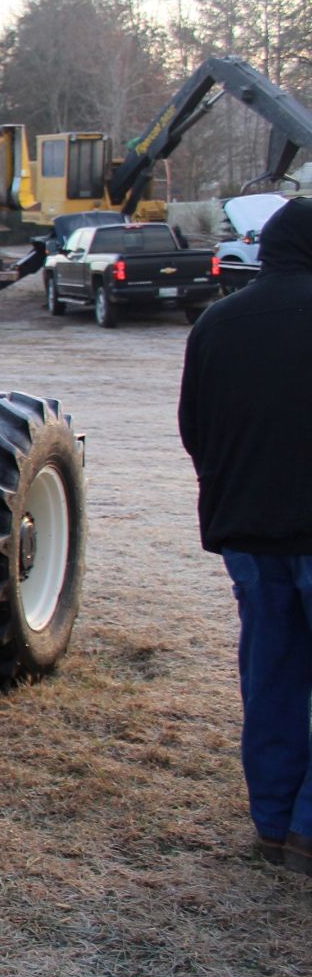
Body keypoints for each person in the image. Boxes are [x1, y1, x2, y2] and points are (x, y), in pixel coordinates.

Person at [179, 195, 312, 873]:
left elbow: (194, 430)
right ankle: (306, 833)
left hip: (250, 536)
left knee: (271, 678)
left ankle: (271, 822)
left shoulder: (217, 323)